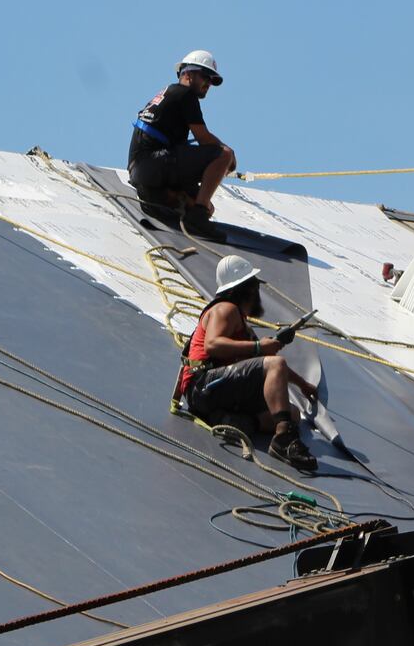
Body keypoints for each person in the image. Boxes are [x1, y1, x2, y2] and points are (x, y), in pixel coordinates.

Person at [176, 254, 318, 471]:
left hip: (215, 392)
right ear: (247, 289)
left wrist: (302, 384)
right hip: (203, 384)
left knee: (293, 414)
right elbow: (213, 345)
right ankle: (283, 441)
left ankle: (235, 420)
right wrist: (259, 348)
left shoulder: (241, 326)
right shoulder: (225, 309)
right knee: (275, 364)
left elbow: (258, 361)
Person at [128, 50, 237, 236]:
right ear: (187, 74)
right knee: (223, 154)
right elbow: (203, 138)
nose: (208, 83)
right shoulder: (185, 95)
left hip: (142, 170)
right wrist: (229, 158)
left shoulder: (168, 93)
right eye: (205, 77)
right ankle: (197, 218)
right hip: (153, 164)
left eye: (211, 80)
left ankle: (169, 198)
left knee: (207, 206)